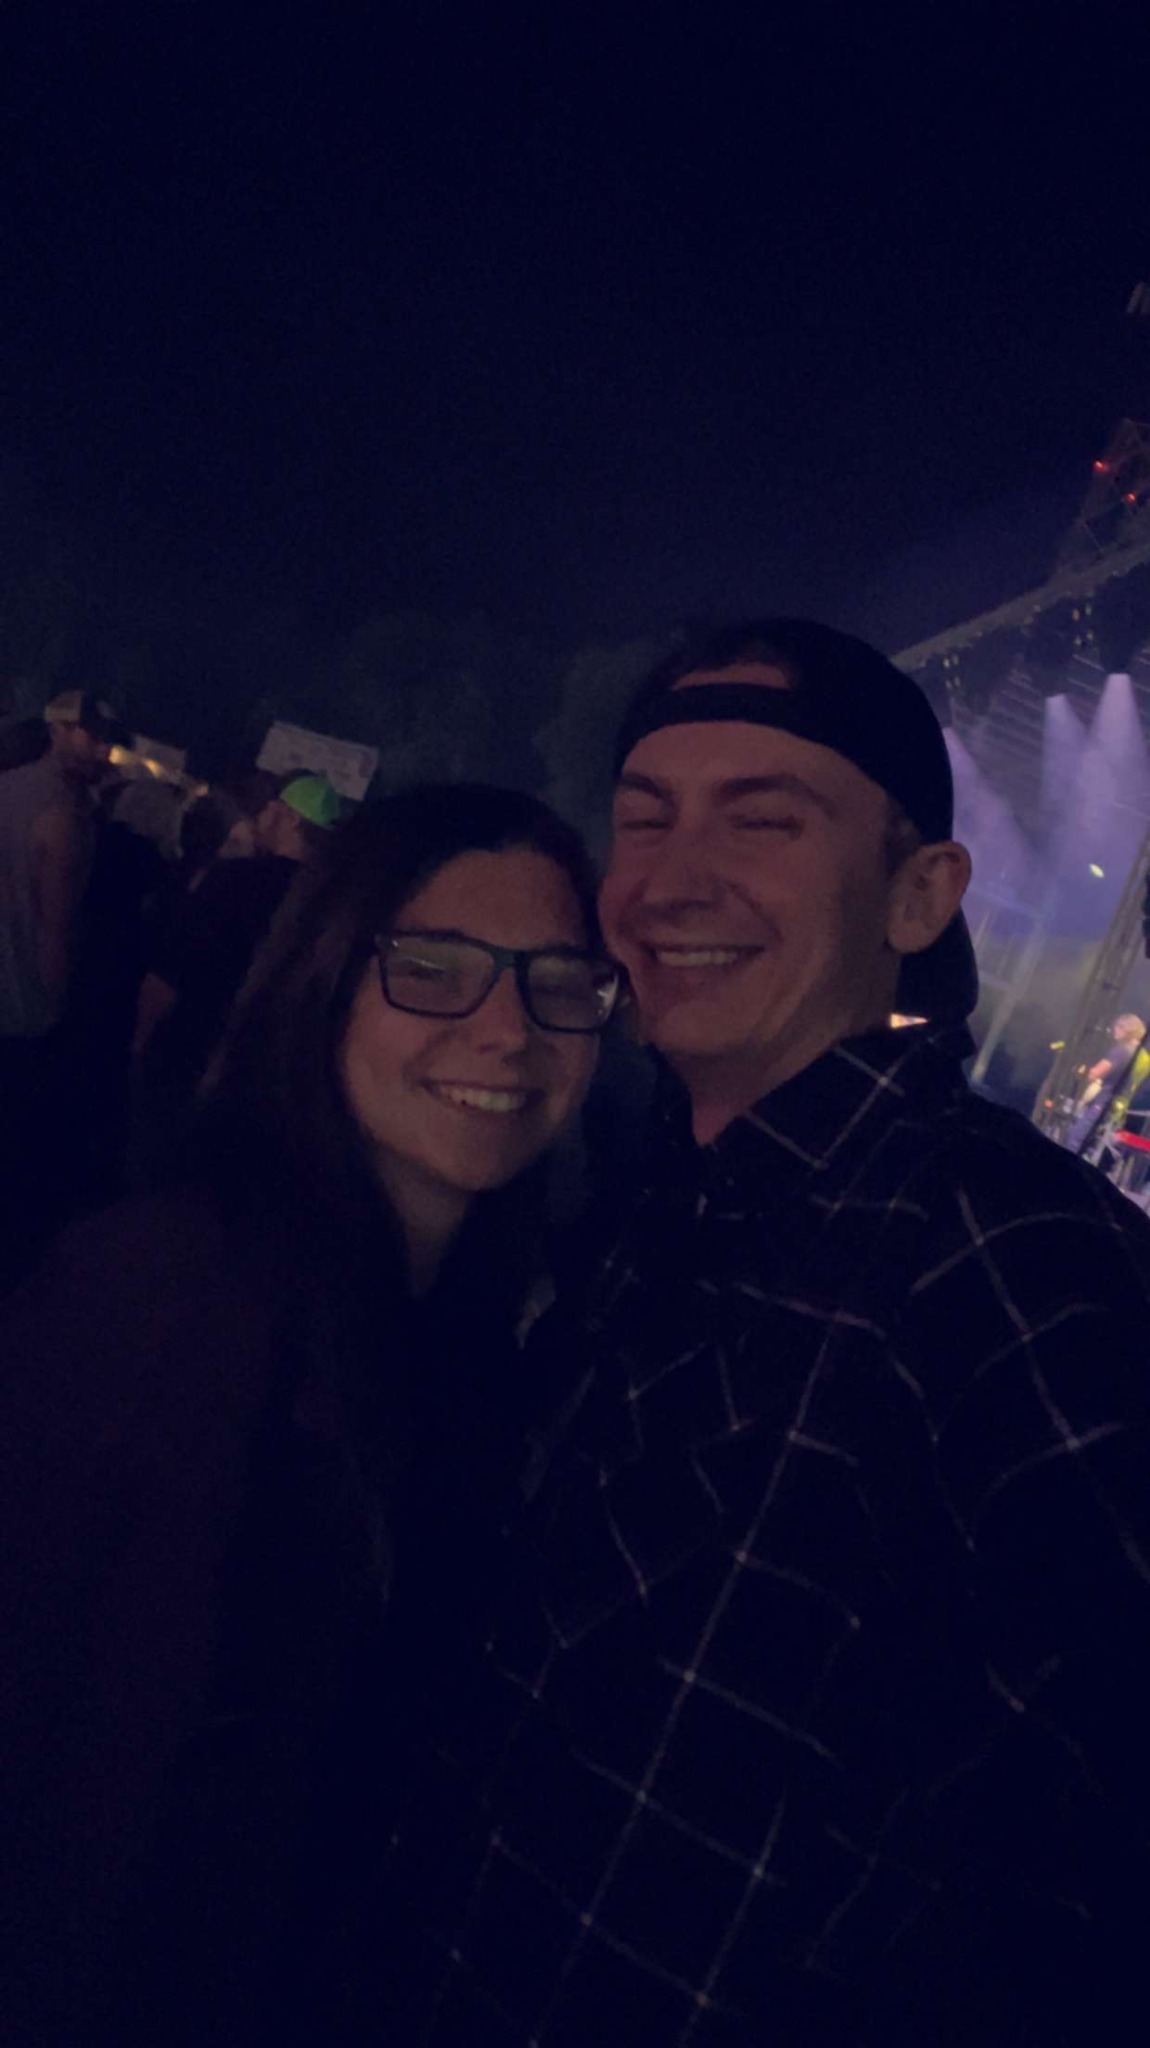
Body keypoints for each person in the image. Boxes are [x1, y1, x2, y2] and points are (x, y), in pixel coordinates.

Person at [393, 621, 1150, 2045]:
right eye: (645, 819)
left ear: (918, 894)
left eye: (763, 819)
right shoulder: (650, 1207)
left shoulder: (1011, 1260)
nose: (672, 882)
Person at [0, 782, 618, 2047]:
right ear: (324, 981)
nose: (507, 1028)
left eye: (559, 980)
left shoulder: (469, 1337)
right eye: (434, 968)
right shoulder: (166, 1298)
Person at [130, 773, 344, 1166]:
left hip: (189, 1055)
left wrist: (142, 1040)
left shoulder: (234, 880)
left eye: (271, 809)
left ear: (291, 819)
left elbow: (170, 972)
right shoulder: (329, 908)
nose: (261, 816)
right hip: (263, 1078)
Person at [0, 688, 124, 1287]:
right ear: (58, 731)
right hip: (23, 1015)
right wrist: (58, 1011)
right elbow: (57, 932)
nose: (102, 747)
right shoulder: (61, 815)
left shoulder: (6, 788)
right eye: (91, 734)